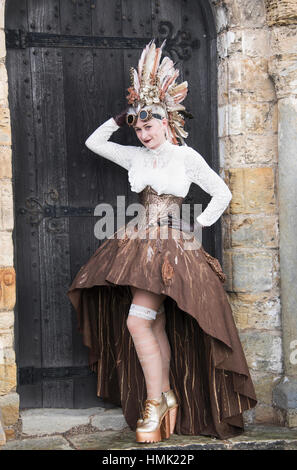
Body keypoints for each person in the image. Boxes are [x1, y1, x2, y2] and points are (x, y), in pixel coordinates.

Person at [67, 39, 257, 444]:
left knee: (140, 321)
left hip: (172, 246)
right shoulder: (136, 156)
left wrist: (195, 226)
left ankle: (158, 402)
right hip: (140, 243)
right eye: (138, 128)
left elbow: (221, 193)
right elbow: (94, 144)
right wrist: (120, 120)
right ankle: (163, 397)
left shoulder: (185, 158)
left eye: (148, 126)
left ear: (166, 121)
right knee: (151, 323)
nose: (143, 134)